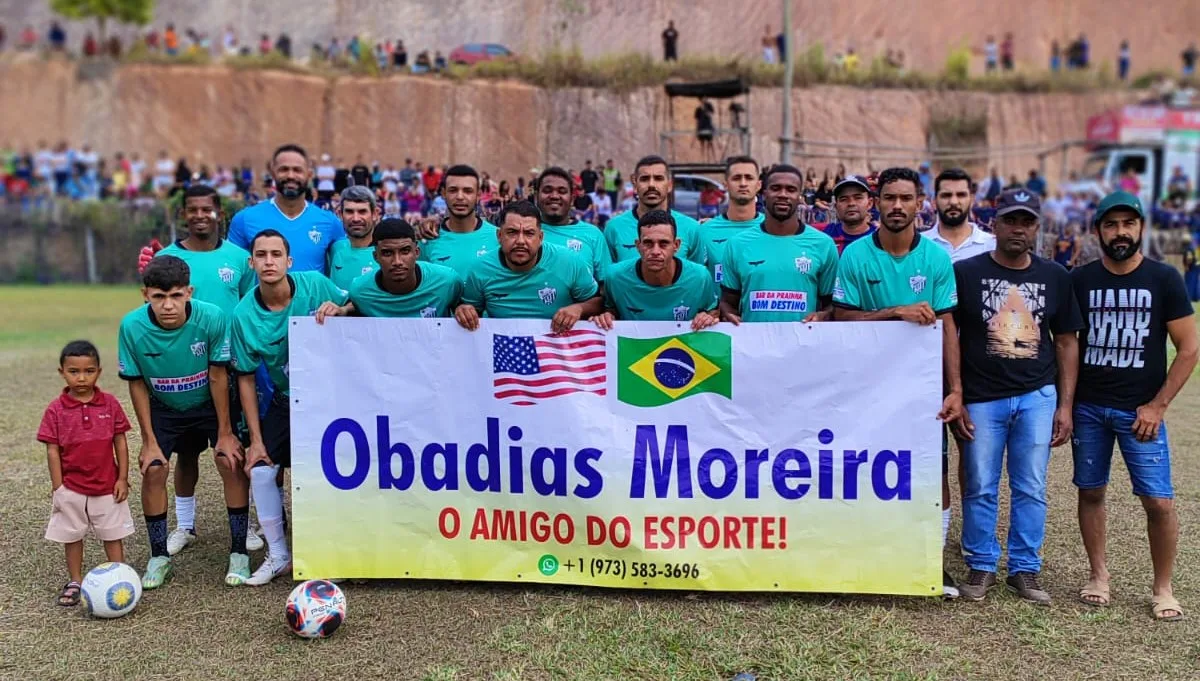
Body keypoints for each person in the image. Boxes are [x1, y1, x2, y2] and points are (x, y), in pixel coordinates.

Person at [833, 166, 964, 598]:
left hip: (920, 389)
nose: (897, 206)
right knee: (864, 469)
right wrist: (894, 312)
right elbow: (842, 318)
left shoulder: (935, 259)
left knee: (932, 469)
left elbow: (947, 325)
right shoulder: (854, 256)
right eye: (889, 198)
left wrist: (956, 388)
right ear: (876, 201)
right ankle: (867, 554)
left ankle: (931, 558)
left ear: (920, 203)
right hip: (864, 387)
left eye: (906, 198)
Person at [1071, 191, 1199, 621]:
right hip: (1090, 407)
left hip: (1141, 411)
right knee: (1090, 491)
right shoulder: (1081, 280)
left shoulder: (1164, 279)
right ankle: (1099, 576)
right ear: (1098, 231)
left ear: (1142, 228)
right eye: (1111, 224)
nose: (1120, 232)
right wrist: (1066, 404)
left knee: (1158, 501)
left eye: (1128, 223)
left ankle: (1163, 588)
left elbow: (1188, 349)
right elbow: (1066, 345)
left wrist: (1158, 406)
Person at [951, 189, 1083, 605]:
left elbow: (1065, 342)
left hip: (1036, 396)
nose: (1018, 229)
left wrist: (1064, 404)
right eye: (1010, 220)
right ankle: (982, 565)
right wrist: (955, 391)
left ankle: (1025, 570)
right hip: (982, 397)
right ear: (995, 223)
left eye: (1026, 222)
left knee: (1030, 485)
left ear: (1037, 227)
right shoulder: (966, 272)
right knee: (980, 484)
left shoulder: (1055, 276)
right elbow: (948, 336)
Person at [118, 256, 249, 588]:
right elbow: (136, 384)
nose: (168, 306)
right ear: (145, 294)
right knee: (154, 468)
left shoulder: (212, 318)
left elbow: (219, 375)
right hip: (164, 407)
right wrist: (148, 441)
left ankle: (239, 553)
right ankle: (159, 557)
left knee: (229, 460)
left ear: (189, 292)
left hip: (209, 402)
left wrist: (225, 432)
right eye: (158, 297)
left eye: (176, 296)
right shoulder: (131, 327)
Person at [230, 231, 349, 585]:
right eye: (261, 255)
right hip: (288, 400)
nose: (269, 261)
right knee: (263, 469)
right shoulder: (243, 315)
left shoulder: (314, 284)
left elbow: (356, 308)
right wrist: (256, 440)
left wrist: (340, 309)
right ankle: (279, 554)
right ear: (251, 262)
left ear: (289, 261)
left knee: (338, 470)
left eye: (276, 254)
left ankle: (337, 550)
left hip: (334, 399)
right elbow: (246, 378)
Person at [153, 186, 263, 554]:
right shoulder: (167, 257)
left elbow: (249, 306)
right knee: (186, 454)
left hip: (229, 370)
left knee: (234, 451)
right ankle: (185, 526)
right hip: (184, 373)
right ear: (184, 214)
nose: (200, 216)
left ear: (219, 212)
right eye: (192, 210)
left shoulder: (238, 257)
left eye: (207, 209)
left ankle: (243, 525)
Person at [38, 341, 135, 607]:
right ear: (62, 372)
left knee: (112, 534)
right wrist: (59, 487)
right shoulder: (55, 410)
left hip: (107, 486)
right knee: (72, 535)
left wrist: (122, 478)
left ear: (99, 372)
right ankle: (76, 581)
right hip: (72, 486)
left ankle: (119, 576)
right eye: (74, 371)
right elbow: (52, 451)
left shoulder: (110, 404)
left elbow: (120, 442)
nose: (81, 378)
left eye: (89, 371)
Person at [455, 201, 603, 332]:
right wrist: (463, 310)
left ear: (541, 237)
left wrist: (579, 308)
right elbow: (471, 310)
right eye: (512, 232)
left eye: (529, 233)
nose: (520, 241)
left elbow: (599, 303)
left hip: (558, 354)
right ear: (499, 236)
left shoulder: (570, 262)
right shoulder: (480, 269)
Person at [718, 164, 838, 324]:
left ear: (800, 195)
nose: (783, 194)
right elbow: (728, 302)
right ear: (764, 193)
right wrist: (727, 314)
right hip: (753, 346)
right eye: (775, 188)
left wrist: (824, 315)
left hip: (804, 345)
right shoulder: (737, 244)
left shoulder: (824, 245)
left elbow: (831, 305)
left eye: (791, 189)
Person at [592, 210, 719, 329]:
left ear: (676, 245)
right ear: (638, 245)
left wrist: (707, 317)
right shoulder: (615, 277)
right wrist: (607, 316)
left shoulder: (700, 277)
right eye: (648, 243)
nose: (655, 251)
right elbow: (610, 309)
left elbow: (713, 310)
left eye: (663, 243)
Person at [341, 219, 463, 318]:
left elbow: (461, 304)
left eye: (405, 251)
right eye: (387, 253)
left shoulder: (447, 280)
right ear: (375, 256)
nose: (397, 262)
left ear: (417, 252)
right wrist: (344, 309)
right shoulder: (359, 290)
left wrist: (462, 308)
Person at [606, 156, 705, 265]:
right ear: (635, 185)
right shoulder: (614, 228)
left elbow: (697, 277)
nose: (651, 185)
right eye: (644, 179)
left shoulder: (691, 228)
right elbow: (608, 277)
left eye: (658, 178)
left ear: (670, 185)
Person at [416, 165, 500, 276]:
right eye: (453, 190)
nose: (460, 196)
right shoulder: (428, 238)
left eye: (468, 191)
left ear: (478, 195)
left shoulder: (497, 237)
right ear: (443, 193)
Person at [530, 167, 611, 284]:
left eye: (562, 191)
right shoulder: (524, 232)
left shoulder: (593, 235)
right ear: (536, 196)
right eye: (547, 190)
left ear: (572, 199)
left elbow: (606, 286)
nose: (554, 196)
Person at [699, 157, 765, 285]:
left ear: (758, 185)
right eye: (736, 178)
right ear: (725, 185)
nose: (743, 183)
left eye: (749, 178)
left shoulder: (771, 228)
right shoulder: (705, 231)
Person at [924, 169, 995, 262]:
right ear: (934, 202)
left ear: (972, 201)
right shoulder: (918, 246)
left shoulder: (992, 246)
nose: (953, 202)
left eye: (961, 195)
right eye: (946, 195)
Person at [328, 185, 382, 290]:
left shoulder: (387, 252)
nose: (356, 218)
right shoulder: (335, 249)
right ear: (340, 214)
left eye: (362, 211)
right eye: (349, 212)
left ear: (375, 214)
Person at [821, 175, 877, 255]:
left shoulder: (880, 239)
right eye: (844, 199)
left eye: (858, 198)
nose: (851, 203)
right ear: (836, 206)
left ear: (870, 203)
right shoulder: (825, 237)